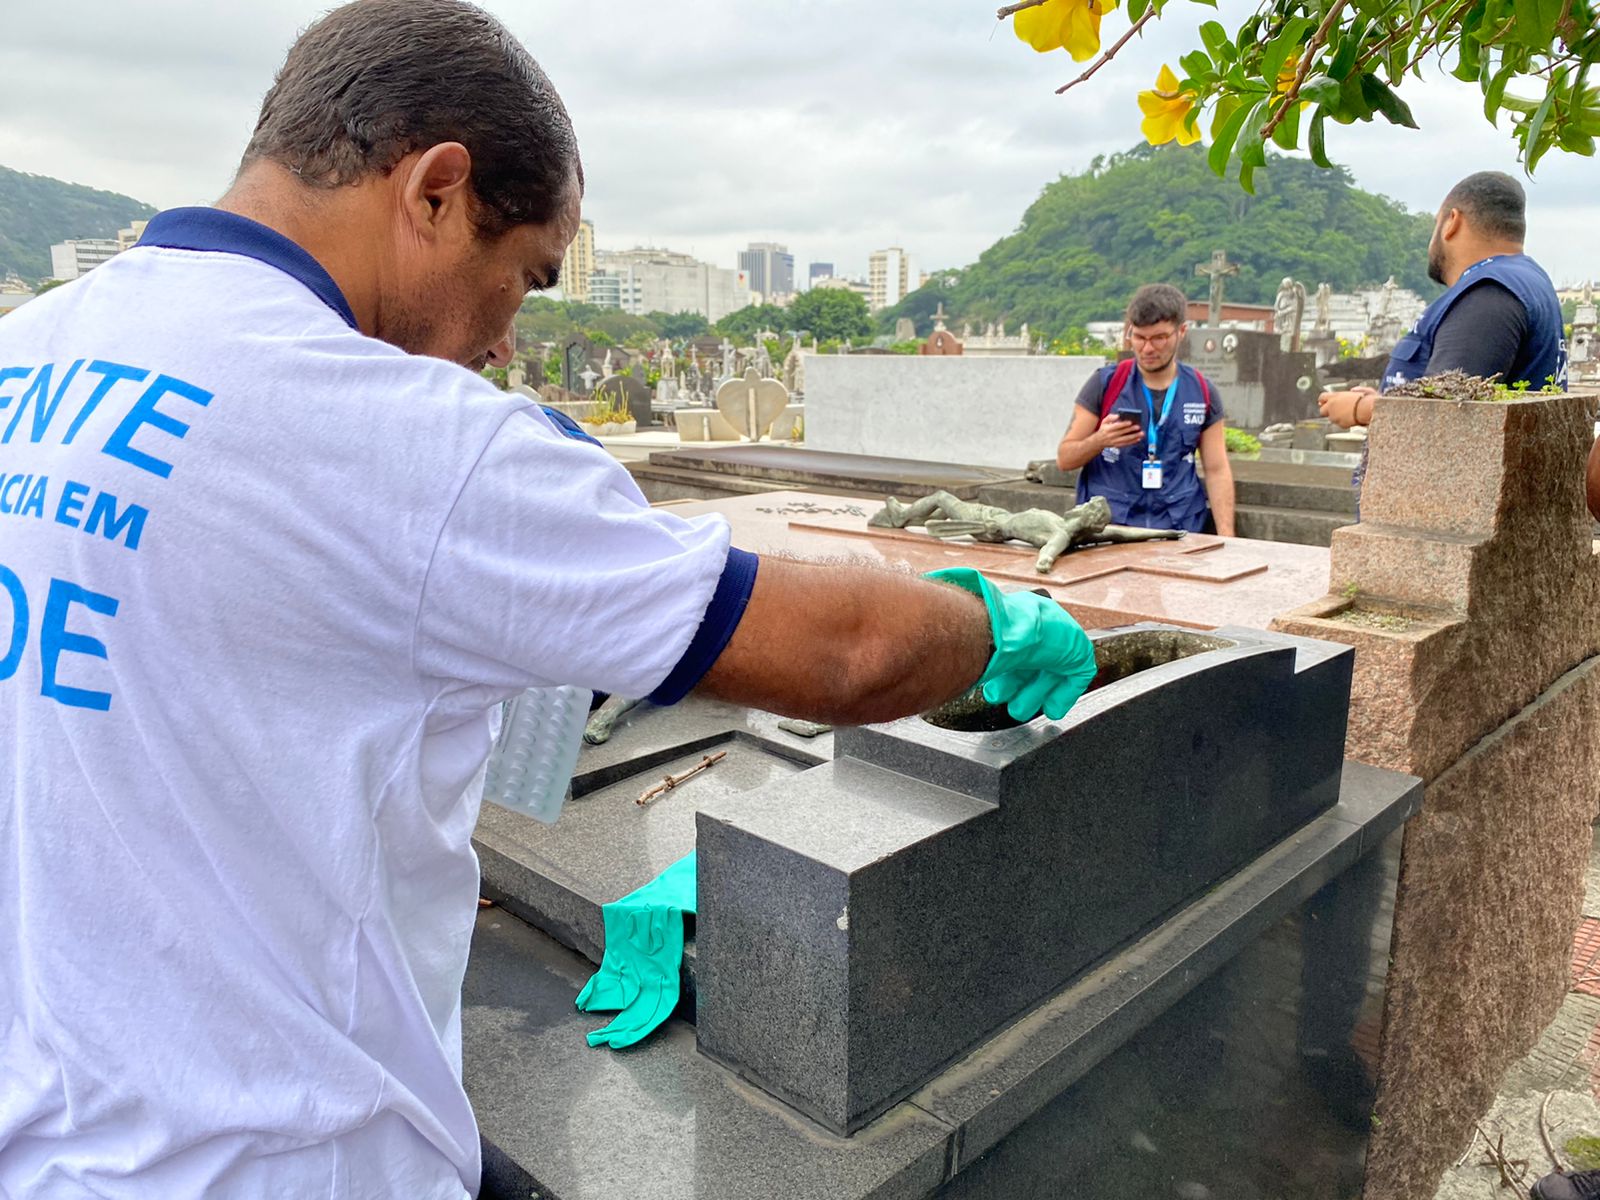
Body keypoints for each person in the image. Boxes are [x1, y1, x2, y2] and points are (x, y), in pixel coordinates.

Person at [0, 4, 1098, 1197]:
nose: (501, 345)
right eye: (519, 277)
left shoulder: (28, 353)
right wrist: (984, 620)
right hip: (282, 1156)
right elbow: (848, 656)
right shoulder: (397, 434)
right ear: (434, 189)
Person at [1319, 172, 1568, 507]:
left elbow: (1450, 415)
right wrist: (1389, 398)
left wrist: (1362, 410)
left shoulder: (1487, 294)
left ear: (1452, 222)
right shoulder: (1525, 279)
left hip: (1443, 517)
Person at [1055, 283, 1236, 536]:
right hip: (1111, 531)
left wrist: (1228, 540)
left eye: (1159, 338)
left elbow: (1217, 469)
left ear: (1181, 332)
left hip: (1178, 531)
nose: (1148, 349)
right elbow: (1065, 458)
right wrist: (1100, 440)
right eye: (1139, 337)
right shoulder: (1105, 383)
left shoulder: (1202, 391)